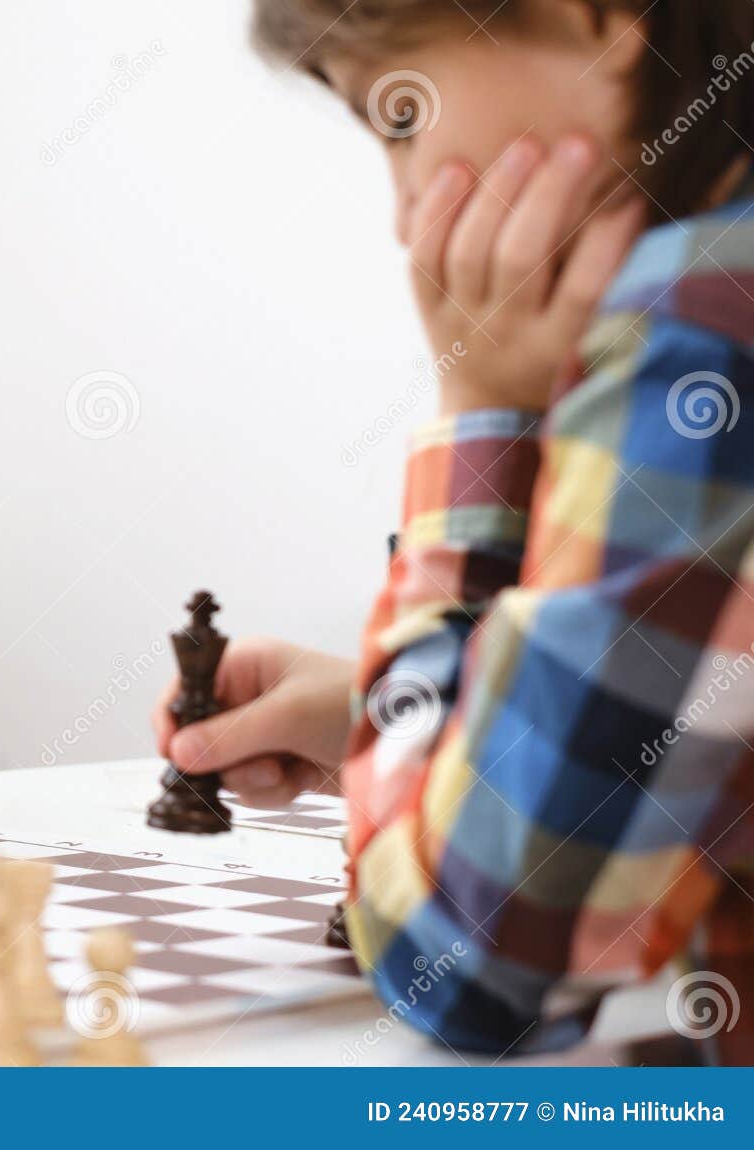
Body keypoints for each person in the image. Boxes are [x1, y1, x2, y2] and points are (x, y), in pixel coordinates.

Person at [156, 1, 754, 1062]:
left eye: (396, 116)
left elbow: (470, 958)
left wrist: (480, 407)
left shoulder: (706, 318)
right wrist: (398, 710)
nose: (402, 213)